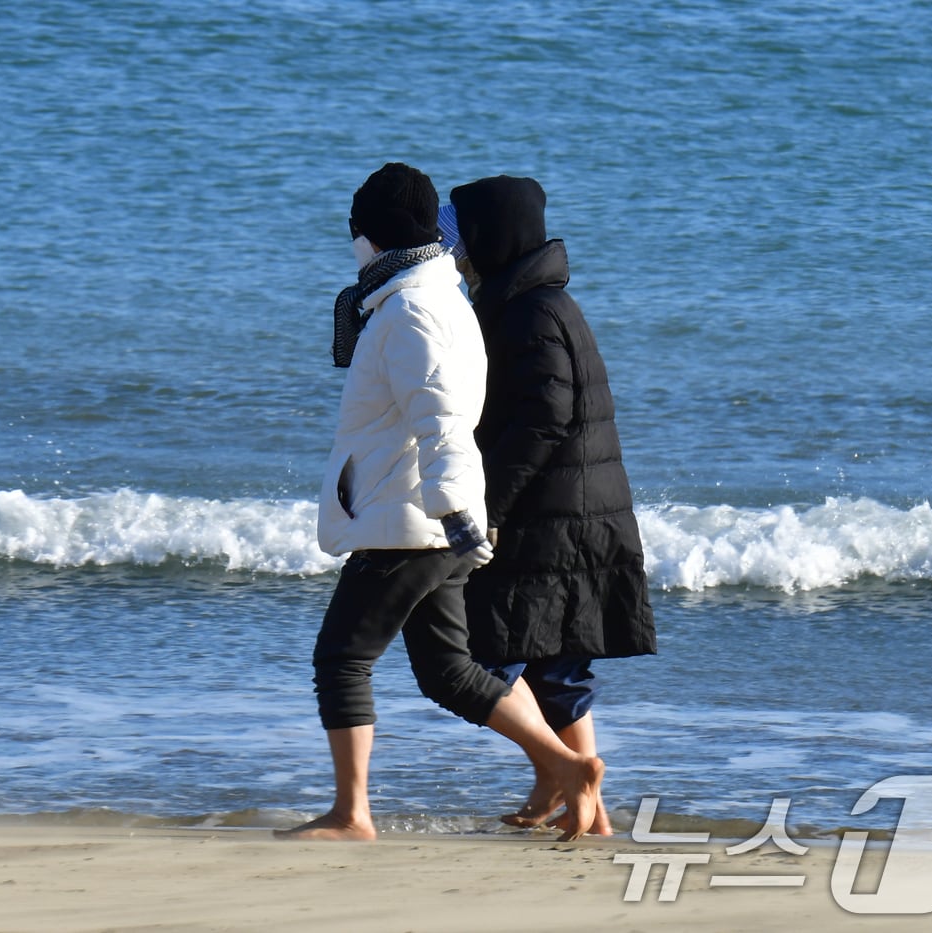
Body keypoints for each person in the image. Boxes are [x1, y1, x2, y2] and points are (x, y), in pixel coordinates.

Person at [276, 162, 604, 842]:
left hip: (412, 517)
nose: (353, 244)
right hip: (425, 512)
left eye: (356, 232)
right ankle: (568, 767)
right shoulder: (430, 298)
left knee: (341, 657)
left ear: (373, 236)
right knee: (448, 671)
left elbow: (442, 418)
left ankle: (351, 813)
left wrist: (457, 512)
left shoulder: (412, 310)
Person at [446, 176, 657, 834]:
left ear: (492, 236)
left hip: (551, 515)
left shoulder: (529, 312)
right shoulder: (532, 301)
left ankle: (565, 772)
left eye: (462, 234)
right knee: (554, 657)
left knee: (487, 653)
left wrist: (492, 506)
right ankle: (575, 792)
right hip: (572, 509)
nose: (453, 249)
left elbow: (544, 416)